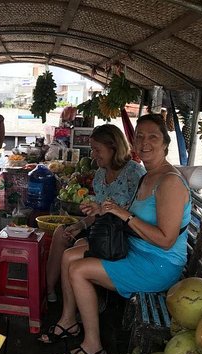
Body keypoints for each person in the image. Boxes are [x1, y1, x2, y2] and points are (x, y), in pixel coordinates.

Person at [40, 114, 191, 354]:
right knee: (69, 256)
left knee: (78, 270)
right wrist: (103, 210)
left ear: (165, 143)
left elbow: (166, 240)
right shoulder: (149, 176)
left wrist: (125, 214)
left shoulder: (169, 182)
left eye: (152, 136)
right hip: (137, 250)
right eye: (139, 136)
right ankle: (68, 321)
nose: (144, 142)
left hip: (159, 265)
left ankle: (93, 346)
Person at [45, 124, 145, 302]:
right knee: (62, 232)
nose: (93, 155)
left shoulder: (134, 173)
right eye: (92, 150)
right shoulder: (100, 174)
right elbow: (97, 212)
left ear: (114, 148)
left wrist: (103, 213)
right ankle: (50, 291)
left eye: (97, 150)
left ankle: (84, 299)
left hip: (120, 237)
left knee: (75, 251)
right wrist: (79, 225)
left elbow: (137, 214)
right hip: (101, 230)